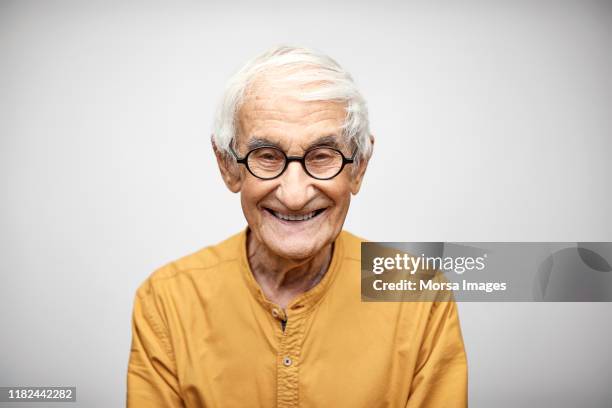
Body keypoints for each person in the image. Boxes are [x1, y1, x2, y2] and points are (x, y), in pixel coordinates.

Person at [126, 45, 467, 407]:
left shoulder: (416, 295)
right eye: (267, 156)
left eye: (322, 156)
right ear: (228, 165)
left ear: (359, 167)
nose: (294, 195)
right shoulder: (167, 301)